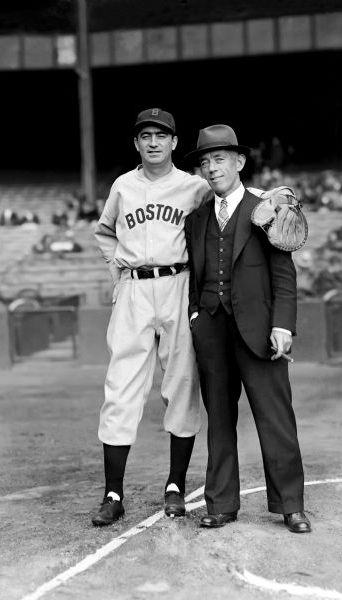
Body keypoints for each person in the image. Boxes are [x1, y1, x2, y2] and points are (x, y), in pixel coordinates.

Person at [184, 124, 311, 533]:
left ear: (239, 162)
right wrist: (195, 316)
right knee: (219, 420)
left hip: (260, 331)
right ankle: (221, 504)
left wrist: (282, 325)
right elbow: (196, 276)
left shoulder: (267, 208)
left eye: (219, 159)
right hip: (212, 331)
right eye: (205, 162)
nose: (211, 167)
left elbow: (284, 276)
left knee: (275, 418)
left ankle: (290, 504)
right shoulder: (198, 218)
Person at [91, 108, 212, 526]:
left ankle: (175, 486)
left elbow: (220, 223)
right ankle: (113, 493)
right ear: (137, 143)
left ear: (175, 142)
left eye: (162, 135)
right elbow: (105, 232)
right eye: (146, 135)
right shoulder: (123, 186)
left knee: (181, 382)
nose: (154, 142)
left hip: (179, 284)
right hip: (135, 289)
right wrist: (118, 273)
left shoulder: (195, 188)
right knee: (121, 385)